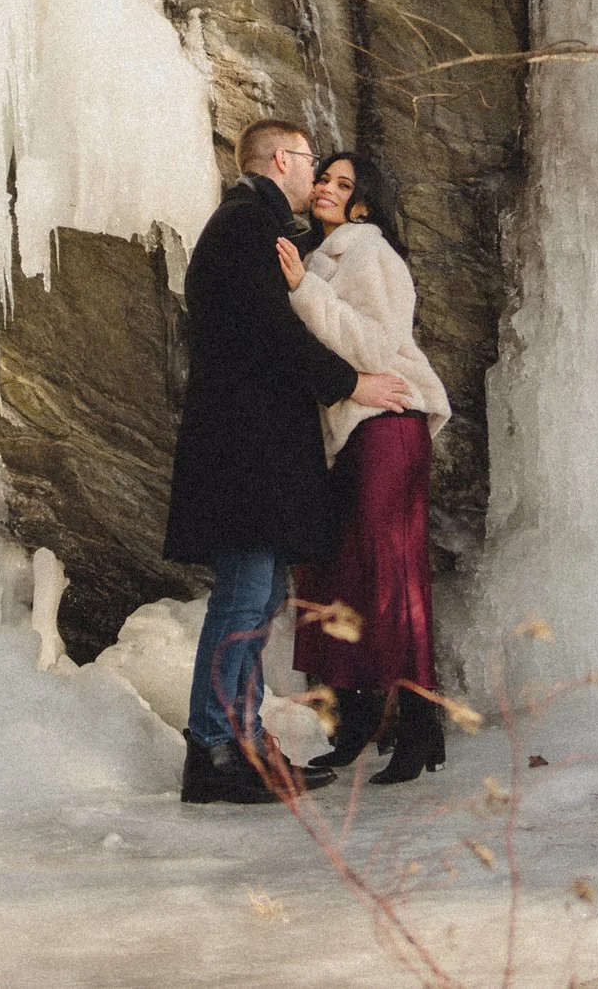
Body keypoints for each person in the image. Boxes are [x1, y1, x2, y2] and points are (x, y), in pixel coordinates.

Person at [164, 119, 414, 806]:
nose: (315, 175)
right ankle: (214, 748)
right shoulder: (248, 224)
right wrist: (351, 382)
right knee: (244, 596)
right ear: (283, 159)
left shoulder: (254, 224)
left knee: (261, 594)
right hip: (245, 451)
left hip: (256, 449)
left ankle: (242, 744)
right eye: (310, 161)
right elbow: (273, 337)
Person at [279, 150, 453, 785]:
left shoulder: (369, 253)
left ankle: (418, 726)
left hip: (387, 429)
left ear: (363, 205)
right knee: (340, 577)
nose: (324, 188)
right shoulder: (319, 256)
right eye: (322, 177)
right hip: (352, 434)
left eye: (341, 184)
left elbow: (378, 346)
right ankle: (356, 724)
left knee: (389, 579)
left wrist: (304, 288)